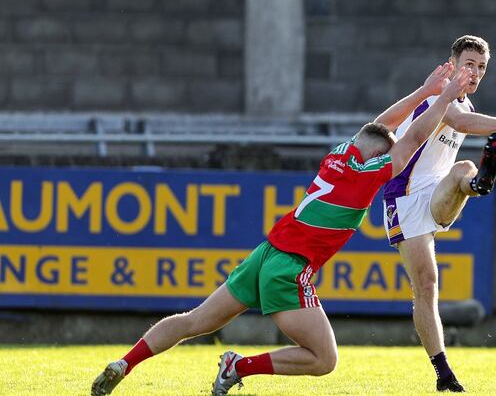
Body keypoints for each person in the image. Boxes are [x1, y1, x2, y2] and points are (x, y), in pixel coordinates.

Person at [90, 63, 475, 396]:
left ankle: (125, 364)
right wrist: (444, 99)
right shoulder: (366, 175)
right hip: (289, 268)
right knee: (324, 359)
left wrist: (425, 91)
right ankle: (237, 368)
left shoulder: (340, 154)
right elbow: (410, 138)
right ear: (377, 156)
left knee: (194, 321)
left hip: (263, 255)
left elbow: (382, 127)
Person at [375, 35, 496, 392]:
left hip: (436, 191)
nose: (474, 72)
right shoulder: (439, 91)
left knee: (464, 169)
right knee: (426, 286)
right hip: (404, 196)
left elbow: (468, 120)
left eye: (481, 67)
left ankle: (478, 185)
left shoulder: (466, 103)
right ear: (453, 63)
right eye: (469, 64)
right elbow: (462, 123)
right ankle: (443, 372)